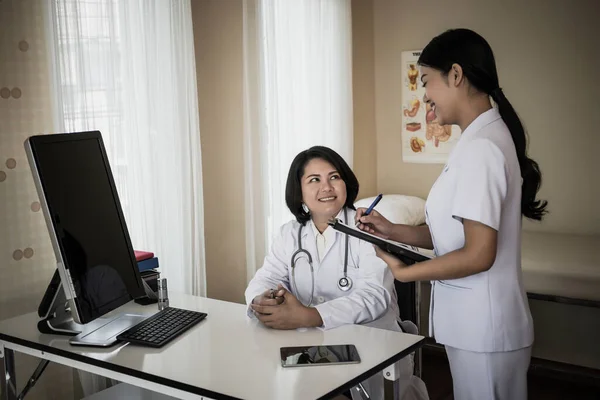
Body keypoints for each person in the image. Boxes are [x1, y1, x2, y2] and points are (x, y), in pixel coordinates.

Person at [356, 28, 548, 400]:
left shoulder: (482, 149)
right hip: (476, 327)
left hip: (485, 329)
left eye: (427, 81)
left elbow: (479, 253)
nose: (424, 94)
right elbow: (451, 232)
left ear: (456, 75)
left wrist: (407, 273)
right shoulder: (478, 141)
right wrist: (392, 230)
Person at [245, 146, 429, 400]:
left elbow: (375, 296)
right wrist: (260, 299)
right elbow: (266, 276)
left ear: (346, 183)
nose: (327, 187)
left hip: (369, 345)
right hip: (312, 347)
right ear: (298, 193)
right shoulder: (289, 233)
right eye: (314, 180)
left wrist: (310, 316)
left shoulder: (367, 229)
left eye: (334, 177)